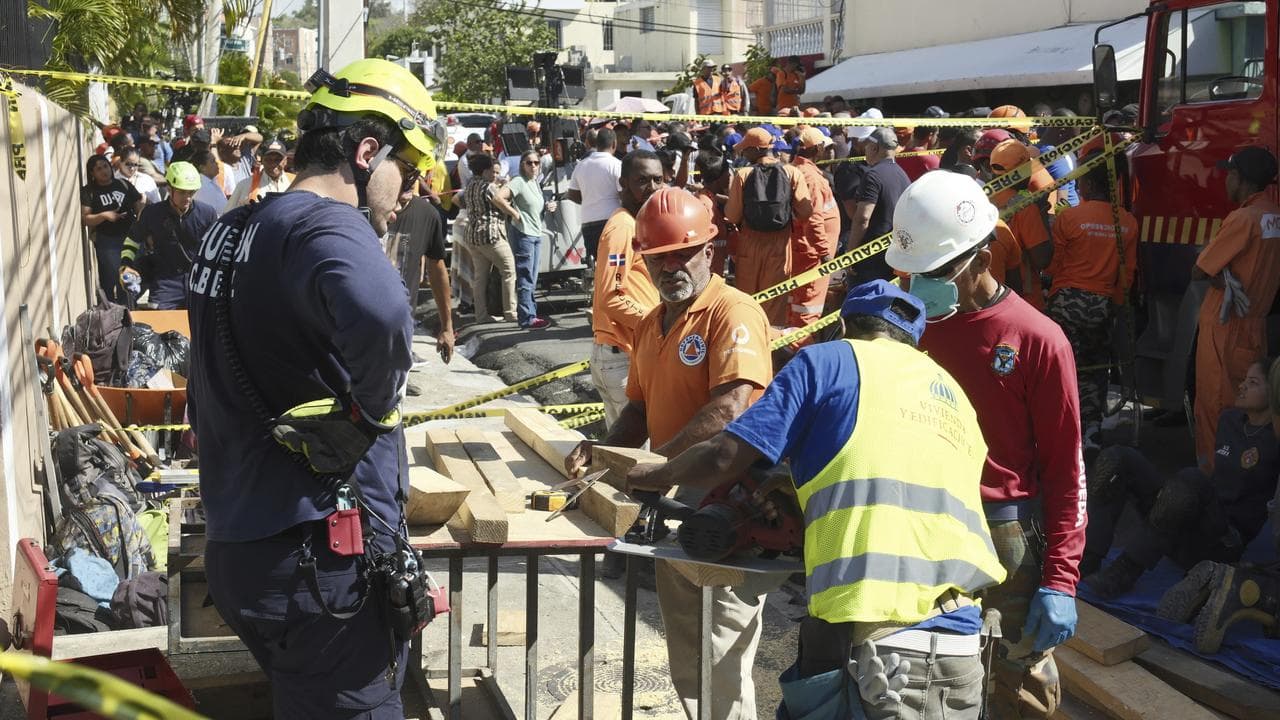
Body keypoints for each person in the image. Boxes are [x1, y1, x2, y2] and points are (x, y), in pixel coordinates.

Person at [186, 58, 441, 718]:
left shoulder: (231, 229)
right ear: (365, 152)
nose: (410, 192)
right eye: (406, 172)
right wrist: (367, 412)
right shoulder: (326, 225)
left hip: (244, 544)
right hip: (319, 562)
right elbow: (386, 313)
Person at [627, 279, 1007, 720]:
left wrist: (657, 473)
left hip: (888, 656)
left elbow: (726, 454)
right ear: (912, 341)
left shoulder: (826, 361)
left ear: (843, 324)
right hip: (957, 645)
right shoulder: (951, 393)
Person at [565, 187, 773, 720]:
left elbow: (730, 407)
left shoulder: (732, 311)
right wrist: (605, 450)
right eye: (658, 259)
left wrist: (662, 465)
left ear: (710, 249)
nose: (670, 267)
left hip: (724, 498)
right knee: (687, 647)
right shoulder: (654, 321)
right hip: (675, 500)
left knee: (721, 647)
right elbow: (638, 407)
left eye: (682, 254)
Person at [886, 171, 1084, 720]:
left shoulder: (1037, 340)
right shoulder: (903, 326)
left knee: (1017, 690)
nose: (920, 285)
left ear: (982, 255)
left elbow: (1067, 471)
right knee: (918, 683)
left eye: (936, 272)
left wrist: (1060, 580)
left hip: (1003, 534)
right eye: (913, 273)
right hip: (916, 524)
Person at [1084, 357, 1278, 600]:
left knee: (1191, 478)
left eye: (1253, 382)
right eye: (1244, 380)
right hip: (1188, 524)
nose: (1242, 386)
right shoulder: (1230, 421)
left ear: (1274, 394)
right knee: (1117, 458)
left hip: (1224, 541)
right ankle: (1088, 558)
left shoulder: (1275, 439)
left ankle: (1125, 571)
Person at [1191, 146, 1280, 472]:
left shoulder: (1243, 219)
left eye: (1229, 174)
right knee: (1252, 408)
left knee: (1216, 409)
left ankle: (1214, 483)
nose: (1225, 180)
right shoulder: (1274, 215)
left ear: (1241, 179)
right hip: (1256, 327)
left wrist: (1220, 275)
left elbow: (1200, 270)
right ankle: (1246, 477)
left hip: (1225, 330)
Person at [1045, 161, 1138, 452]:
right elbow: (1128, 272)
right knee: (1095, 369)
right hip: (1103, 304)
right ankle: (1092, 430)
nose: (1078, 186)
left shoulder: (1070, 218)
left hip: (1067, 301)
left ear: (1092, 185)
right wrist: (1117, 308)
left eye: (1081, 182)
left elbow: (1053, 264)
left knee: (1061, 366)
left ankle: (1060, 428)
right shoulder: (1128, 222)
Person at [589, 150, 663, 426]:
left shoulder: (635, 224)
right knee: (635, 454)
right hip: (621, 357)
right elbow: (611, 296)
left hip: (624, 353)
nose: (652, 188)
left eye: (658, 180)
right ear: (623, 183)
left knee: (621, 453)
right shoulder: (623, 228)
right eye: (642, 180)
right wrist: (656, 324)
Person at [724, 127, 813, 325]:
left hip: (748, 245)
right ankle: (772, 346)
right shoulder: (792, 173)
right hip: (780, 247)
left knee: (746, 302)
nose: (744, 153)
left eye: (746, 149)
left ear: (756, 149)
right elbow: (806, 212)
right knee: (774, 303)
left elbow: (731, 215)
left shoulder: (743, 174)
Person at [119, 161, 217, 309]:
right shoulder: (151, 213)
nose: (188, 198)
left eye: (191, 192)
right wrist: (125, 265)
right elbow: (132, 240)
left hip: (199, 282)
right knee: (161, 327)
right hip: (165, 283)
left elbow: (217, 250)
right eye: (182, 192)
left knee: (202, 328)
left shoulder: (207, 214)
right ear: (169, 189)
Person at [387, 195, 455, 364]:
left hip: (400, 328)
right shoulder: (361, 203)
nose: (411, 178)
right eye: (405, 171)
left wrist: (447, 327)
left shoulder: (427, 214)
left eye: (416, 172)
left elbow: (437, 270)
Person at [846, 128, 911, 284]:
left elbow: (863, 217)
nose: (865, 149)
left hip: (870, 258)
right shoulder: (902, 174)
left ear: (875, 148)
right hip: (895, 253)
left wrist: (851, 254)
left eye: (867, 146)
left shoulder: (872, 175)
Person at [496, 150, 553, 329]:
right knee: (526, 276)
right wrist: (514, 213)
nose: (534, 166)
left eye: (536, 162)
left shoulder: (535, 182)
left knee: (532, 277)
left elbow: (535, 207)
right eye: (529, 162)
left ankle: (530, 314)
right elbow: (498, 198)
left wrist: (548, 206)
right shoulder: (518, 181)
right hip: (524, 234)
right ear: (522, 164)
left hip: (535, 233)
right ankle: (527, 317)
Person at [789, 127, 839, 326]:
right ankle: (800, 345)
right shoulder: (811, 178)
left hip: (803, 249)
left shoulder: (797, 170)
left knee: (797, 303)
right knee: (808, 306)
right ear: (818, 149)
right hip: (811, 255)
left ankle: (791, 344)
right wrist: (824, 252)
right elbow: (813, 218)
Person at [462, 153, 519, 323]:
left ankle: (481, 315)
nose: (495, 175)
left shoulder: (471, 184)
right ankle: (510, 312)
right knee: (509, 271)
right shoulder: (488, 187)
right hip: (491, 234)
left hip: (473, 235)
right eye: (492, 172)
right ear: (485, 171)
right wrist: (515, 214)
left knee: (480, 277)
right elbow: (500, 202)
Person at [81, 154, 143, 302]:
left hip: (131, 239)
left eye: (105, 166)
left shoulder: (123, 184)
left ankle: (129, 312)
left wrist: (141, 212)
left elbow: (138, 203)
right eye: (98, 169)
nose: (104, 171)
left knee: (134, 279)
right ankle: (117, 315)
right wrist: (105, 216)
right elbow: (86, 219)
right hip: (108, 242)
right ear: (92, 173)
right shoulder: (89, 191)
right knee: (118, 279)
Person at [567, 128, 623, 262]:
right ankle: (617, 284)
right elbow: (623, 193)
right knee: (615, 263)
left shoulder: (581, 165)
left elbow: (572, 193)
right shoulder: (616, 164)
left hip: (588, 222)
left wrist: (588, 199)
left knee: (596, 264)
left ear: (596, 144)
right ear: (614, 144)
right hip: (611, 221)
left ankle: (598, 283)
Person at [226, 138, 295, 211]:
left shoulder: (294, 182)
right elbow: (227, 214)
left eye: (278, 160)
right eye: (268, 159)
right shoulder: (245, 185)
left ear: (285, 161)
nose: (273, 164)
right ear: (261, 160)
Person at [189, 148, 231, 212]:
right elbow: (223, 210)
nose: (217, 163)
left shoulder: (212, 181)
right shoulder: (203, 187)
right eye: (213, 161)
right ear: (202, 168)